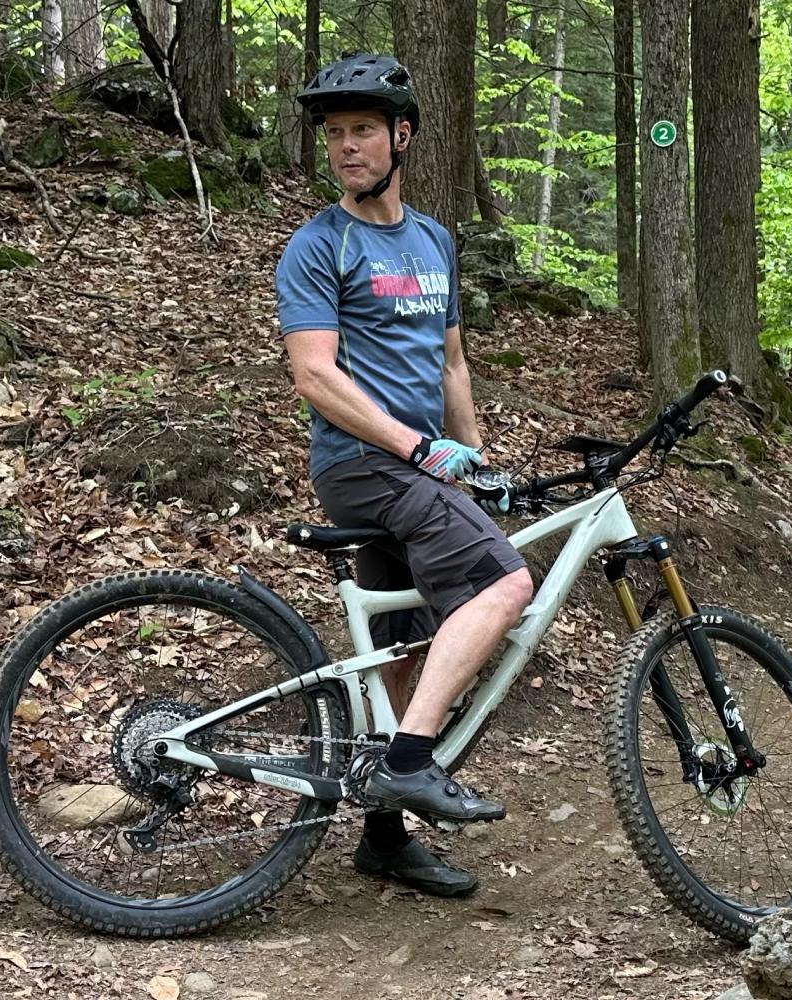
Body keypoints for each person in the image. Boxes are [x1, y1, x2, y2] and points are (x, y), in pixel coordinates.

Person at [274, 53, 534, 898]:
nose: (347, 148)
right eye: (335, 133)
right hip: (362, 465)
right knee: (504, 583)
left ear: (401, 136)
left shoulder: (432, 240)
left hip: (417, 473)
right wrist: (417, 450)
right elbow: (313, 375)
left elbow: (452, 363)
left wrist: (475, 460)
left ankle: (382, 839)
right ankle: (412, 765)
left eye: (362, 131)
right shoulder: (320, 245)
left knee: (402, 650)